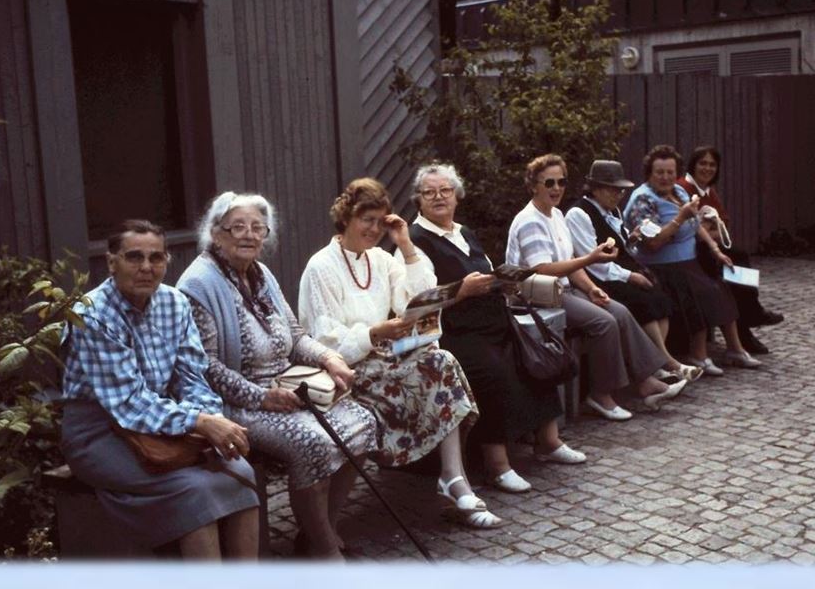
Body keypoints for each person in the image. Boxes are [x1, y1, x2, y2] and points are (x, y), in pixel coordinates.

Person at [177, 192, 379, 560]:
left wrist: (330, 358)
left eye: (257, 228)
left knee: (363, 424)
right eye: (237, 227)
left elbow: (296, 335)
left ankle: (319, 532)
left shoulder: (261, 273)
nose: (249, 235)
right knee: (313, 444)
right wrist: (262, 397)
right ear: (216, 233)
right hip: (237, 402)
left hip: (288, 385)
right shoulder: (198, 285)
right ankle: (326, 553)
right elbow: (205, 366)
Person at [298, 178, 500, 529]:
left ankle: (453, 477)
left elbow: (420, 299)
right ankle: (449, 479)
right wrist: (375, 332)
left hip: (384, 357)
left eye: (381, 221)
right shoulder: (321, 266)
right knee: (433, 370)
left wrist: (405, 245)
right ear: (346, 217)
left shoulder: (379, 258)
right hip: (345, 370)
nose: (375, 229)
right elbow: (323, 340)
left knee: (442, 360)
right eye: (367, 220)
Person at [60, 219, 260, 559]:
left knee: (240, 471)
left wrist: (207, 418)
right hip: (99, 433)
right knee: (194, 490)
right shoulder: (92, 316)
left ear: (167, 261)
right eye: (134, 257)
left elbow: (192, 377)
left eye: (156, 258)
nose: (146, 268)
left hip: (163, 423)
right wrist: (199, 423)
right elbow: (129, 403)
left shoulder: (175, 303)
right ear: (112, 262)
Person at [405, 162, 586, 494]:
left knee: (532, 355)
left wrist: (503, 283)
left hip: (492, 320)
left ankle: (548, 441)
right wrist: (462, 290)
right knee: (492, 370)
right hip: (454, 332)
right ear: (418, 200)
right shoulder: (415, 241)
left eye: (445, 190)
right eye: (429, 193)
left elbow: (488, 273)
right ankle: (497, 465)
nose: (439, 197)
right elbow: (420, 298)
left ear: (457, 195)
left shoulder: (464, 232)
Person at [507, 154, 687, 422]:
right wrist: (591, 259)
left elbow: (570, 263)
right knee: (604, 322)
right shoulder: (531, 220)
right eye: (549, 183)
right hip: (536, 296)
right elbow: (541, 270)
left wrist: (591, 288)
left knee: (619, 311)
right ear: (534, 186)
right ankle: (601, 395)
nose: (556, 188)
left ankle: (646, 383)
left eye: (562, 182)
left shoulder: (555, 215)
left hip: (561, 289)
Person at [623, 144, 762, 376]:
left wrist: (716, 250)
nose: (665, 177)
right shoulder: (643, 200)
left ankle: (735, 349)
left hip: (689, 261)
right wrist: (679, 218)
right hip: (663, 266)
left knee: (723, 286)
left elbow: (697, 226)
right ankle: (698, 355)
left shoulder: (679, 192)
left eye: (670, 172)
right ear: (649, 173)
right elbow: (653, 243)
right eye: (659, 172)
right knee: (704, 292)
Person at [565, 159, 703, 381]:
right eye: (613, 190)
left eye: (621, 190)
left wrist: (631, 238)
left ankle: (657, 361)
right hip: (597, 278)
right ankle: (669, 362)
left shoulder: (613, 211)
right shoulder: (579, 214)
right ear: (596, 188)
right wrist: (630, 276)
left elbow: (619, 246)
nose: (618, 195)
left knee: (660, 299)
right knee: (643, 301)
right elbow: (592, 260)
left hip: (618, 271)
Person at [677, 145, 784, 354]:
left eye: (712, 165)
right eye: (703, 163)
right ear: (693, 165)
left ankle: (748, 325)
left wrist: (711, 230)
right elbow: (694, 229)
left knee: (737, 267)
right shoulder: (684, 189)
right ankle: (751, 319)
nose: (707, 169)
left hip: (707, 249)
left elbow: (724, 223)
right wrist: (709, 230)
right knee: (736, 261)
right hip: (689, 252)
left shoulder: (708, 192)